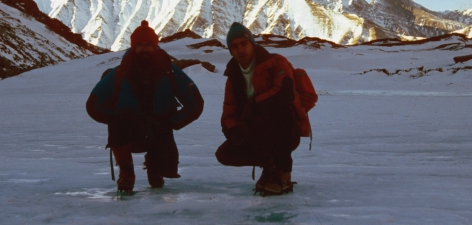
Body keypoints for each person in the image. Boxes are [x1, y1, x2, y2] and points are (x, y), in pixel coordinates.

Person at [86, 20, 204, 192]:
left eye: (148, 45)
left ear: (156, 46)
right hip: (129, 131)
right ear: (133, 47)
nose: (144, 49)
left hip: (159, 130)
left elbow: (195, 102)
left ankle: (156, 169)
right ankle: (127, 172)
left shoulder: (169, 71)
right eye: (140, 45)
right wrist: (116, 119)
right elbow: (93, 104)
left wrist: (172, 122)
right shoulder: (119, 73)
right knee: (119, 126)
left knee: (159, 141)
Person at [215, 22, 308, 195]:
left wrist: (254, 106)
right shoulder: (233, 76)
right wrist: (233, 130)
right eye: (234, 47)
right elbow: (229, 111)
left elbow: (284, 93)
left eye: (244, 44)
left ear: (253, 44)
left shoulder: (276, 62)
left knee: (279, 111)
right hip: (256, 131)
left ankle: (282, 172)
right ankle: (269, 168)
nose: (240, 50)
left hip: (287, 131)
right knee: (224, 154)